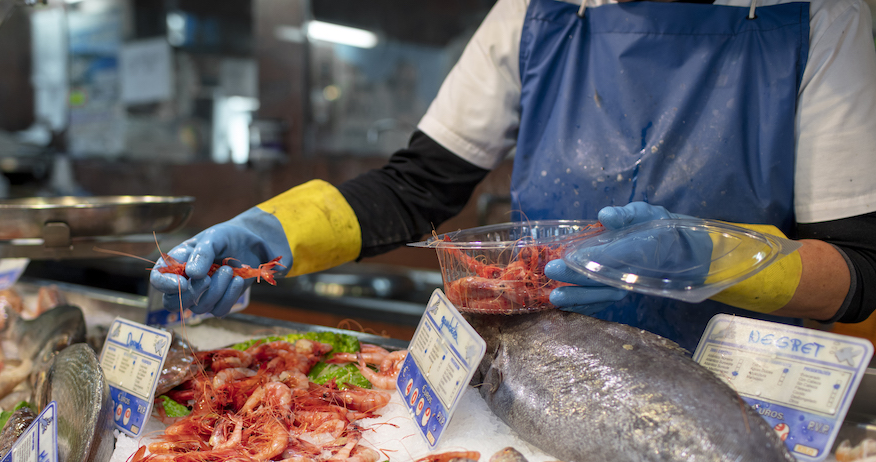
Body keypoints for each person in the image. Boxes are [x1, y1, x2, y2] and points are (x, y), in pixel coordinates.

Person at [150, 0, 876, 352]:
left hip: (736, 381)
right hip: (542, 366)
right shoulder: (537, 12)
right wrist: (273, 232)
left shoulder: (818, 17)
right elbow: (416, 187)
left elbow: (857, 271)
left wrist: (707, 258)